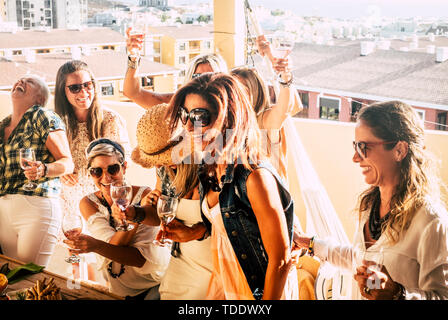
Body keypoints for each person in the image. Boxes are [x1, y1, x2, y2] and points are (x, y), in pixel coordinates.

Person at [297, 101, 448, 300]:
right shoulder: (369, 205)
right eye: (355, 146)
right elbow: (358, 258)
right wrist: (310, 243)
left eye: (363, 147)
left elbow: (444, 296)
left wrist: (399, 294)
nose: (355, 157)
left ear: (399, 150)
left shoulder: (431, 221)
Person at [165, 72, 298, 300]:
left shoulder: (254, 177)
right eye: (184, 115)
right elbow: (226, 226)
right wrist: (193, 232)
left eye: (199, 116)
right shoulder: (209, 168)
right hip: (227, 284)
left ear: (228, 118)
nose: (188, 126)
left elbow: (280, 259)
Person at [63, 138, 170, 299]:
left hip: (154, 288)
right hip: (117, 291)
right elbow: (111, 245)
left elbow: (139, 259)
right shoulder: (88, 203)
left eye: (112, 169)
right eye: (97, 171)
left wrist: (96, 246)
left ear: (124, 167)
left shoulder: (146, 195)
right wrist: (136, 217)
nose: (106, 178)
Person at [54, 60, 131, 280]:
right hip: (68, 202)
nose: (83, 91)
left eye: (88, 84)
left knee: (106, 256)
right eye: (75, 87)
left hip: (101, 199)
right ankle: (80, 290)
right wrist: (59, 169)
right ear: (63, 91)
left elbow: (122, 165)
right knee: (75, 257)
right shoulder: (57, 123)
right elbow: (44, 160)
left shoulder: (110, 119)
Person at [130, 103, 213, 299]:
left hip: (211, 260)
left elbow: (231, 221)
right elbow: (159, 217)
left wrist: (194, 231)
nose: (158, 164)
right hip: (179, 258)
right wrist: (139, 212)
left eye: (162, 157)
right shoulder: (164, 169)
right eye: (155, 159)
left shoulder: (208, 169)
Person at [0, 75, 74, 267]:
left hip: (36, 206)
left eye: (30, 82)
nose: (21, 81)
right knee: (11, 279)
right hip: (4, 209)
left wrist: (44, 169)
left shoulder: (42, 116)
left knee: (29, 276)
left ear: (40, 99)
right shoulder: (2, 126)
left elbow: (67, 163)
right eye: (19, 79)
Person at [123, 27, 228, 109]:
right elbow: (133, 93)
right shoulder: (181, 102)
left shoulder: (233, 109)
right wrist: (134, 58)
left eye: (210, 77)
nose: (204, 82)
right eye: (197, 76)